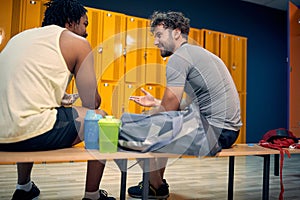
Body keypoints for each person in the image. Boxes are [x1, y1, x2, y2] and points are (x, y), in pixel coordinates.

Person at [0, 0, 115, 200]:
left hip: (3, 133)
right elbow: (92, 103)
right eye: (84, 24)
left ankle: (24, 188)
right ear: (70, 22)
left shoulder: (19, 38)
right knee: (100, 118)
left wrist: (59, 99)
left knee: (31, 115)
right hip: (30, 134)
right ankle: (93, 196)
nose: (86, 31)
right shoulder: (78, 43)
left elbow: (19, 96)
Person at [127, 11, 242, 199]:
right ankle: (155, 185)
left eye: (159, 35)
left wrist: (153, 114)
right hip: (228, 131)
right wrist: (156, 102)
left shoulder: (178, 58)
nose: (155, 42)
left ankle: (155, 185)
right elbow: (187, 106)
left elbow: (169, 108)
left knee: (131, 127)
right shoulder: (200, 54)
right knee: (160, 123)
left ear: (177, 33)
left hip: (214, 132)